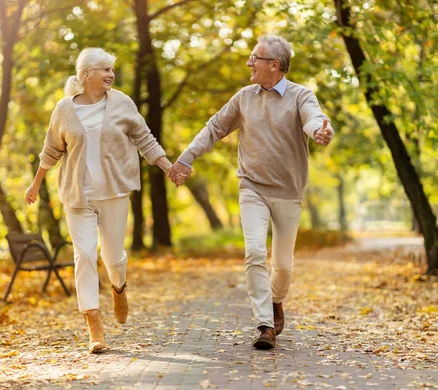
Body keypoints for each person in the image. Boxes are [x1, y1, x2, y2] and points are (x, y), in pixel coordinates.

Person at [169, 36, 334, 349]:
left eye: (255, 58)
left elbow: (315, 118)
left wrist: (321, 132)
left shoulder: (301, 95)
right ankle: (264, 325)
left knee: (283, 266)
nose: (249, 63)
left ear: (274, 64)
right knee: (255, 251)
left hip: (288, 191)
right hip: (252, 186)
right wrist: (186, 156)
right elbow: (215, 127)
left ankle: (276, 300)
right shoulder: (244, 97)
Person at [26, 48, 186, 353]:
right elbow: (51, 150)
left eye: (112, 69)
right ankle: (94, 324)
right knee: (84, 255)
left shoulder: (122, 103)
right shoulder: (64, 109)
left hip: (114, 193)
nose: (111, 74)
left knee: (113, 258)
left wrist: (169, 168)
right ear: (87, 74)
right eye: (105, 69)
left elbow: (145, 139)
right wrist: (35, 185)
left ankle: (119, 287)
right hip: (77, 196)